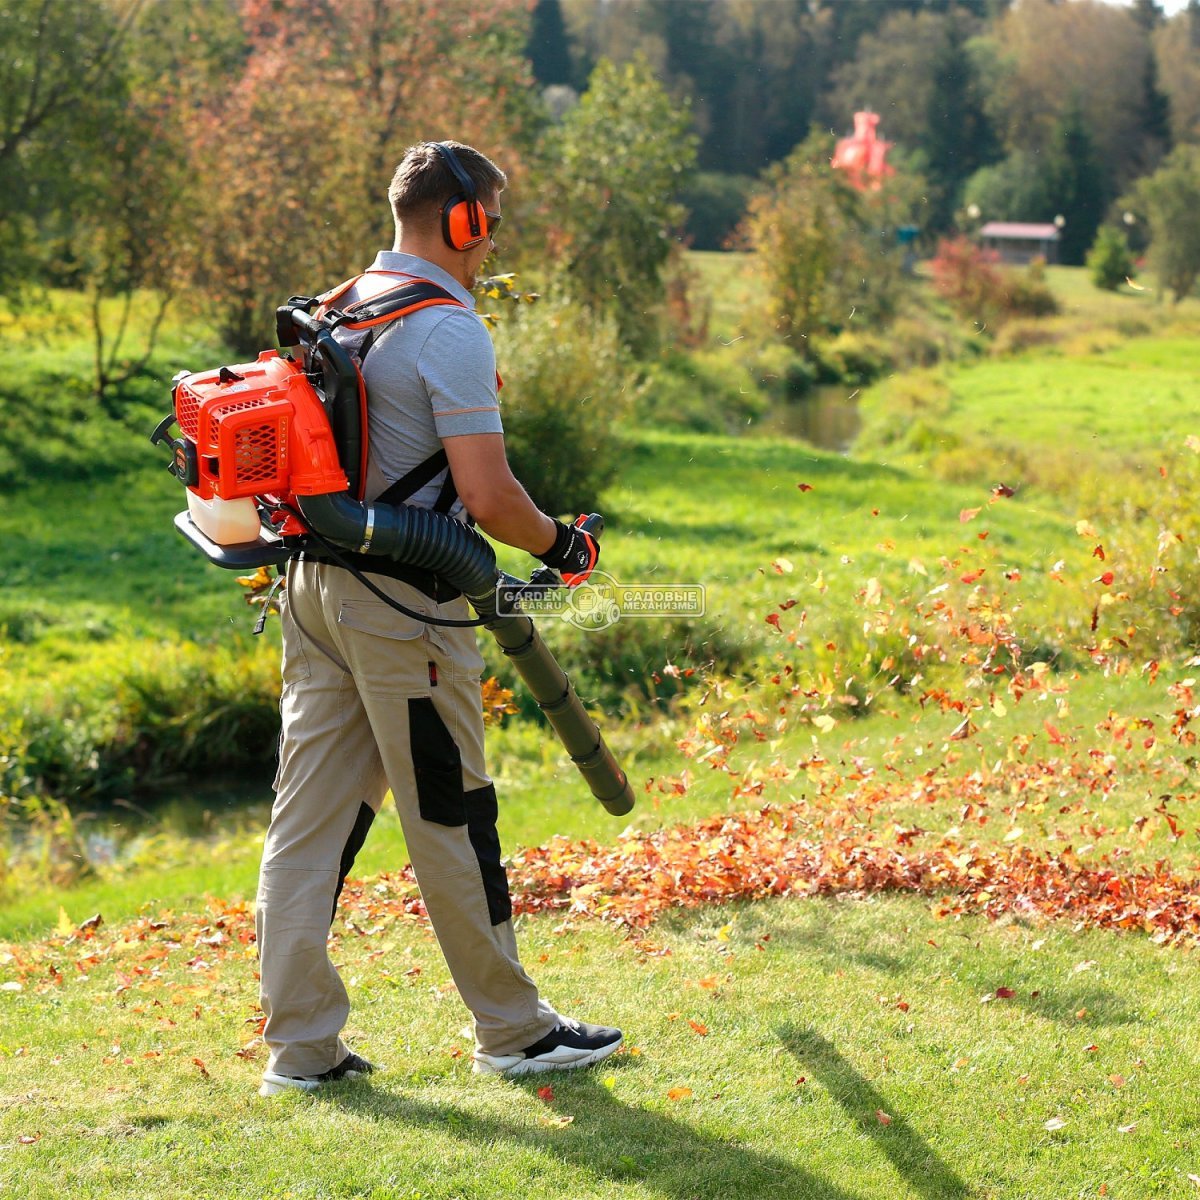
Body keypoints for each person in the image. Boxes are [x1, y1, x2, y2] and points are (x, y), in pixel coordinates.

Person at [254, 141, 622, 1097]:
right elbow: (490, 499)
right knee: (454, 818)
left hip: (312, 592)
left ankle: (301, 1051)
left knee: (310, 824)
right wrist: (561, 548)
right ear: (463, 219)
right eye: (490, 215)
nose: (493, 235)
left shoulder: (342, 303)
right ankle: (514, 1032)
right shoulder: (450, 327)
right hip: (403, 610)